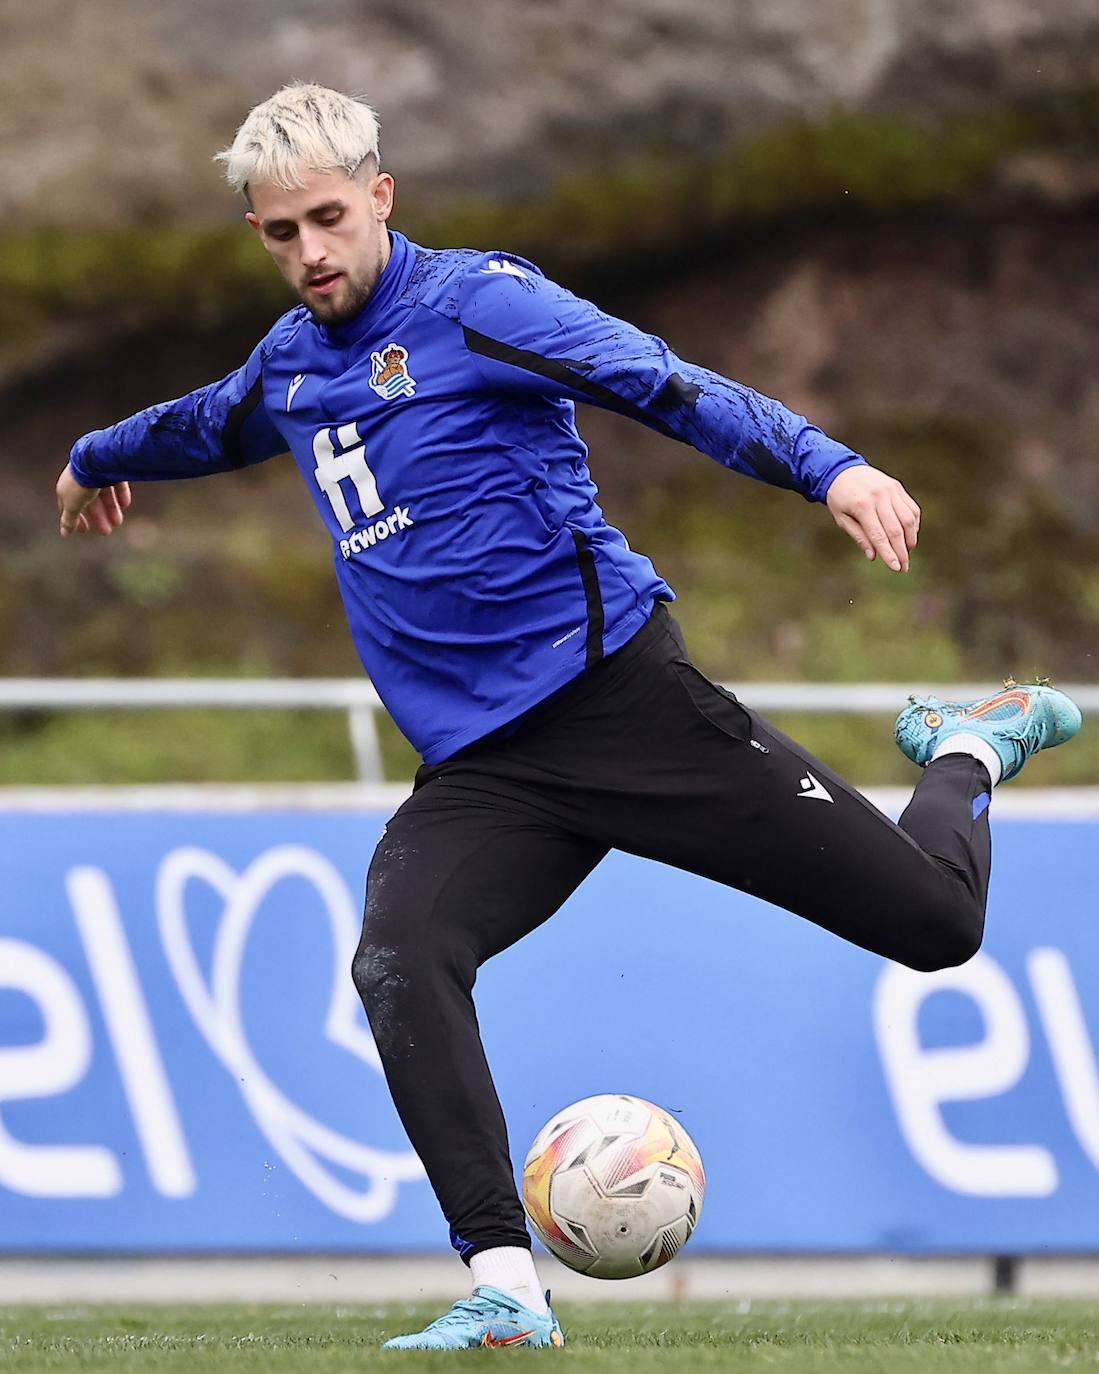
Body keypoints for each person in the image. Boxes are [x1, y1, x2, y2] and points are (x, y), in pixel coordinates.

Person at [56, 83, 1080, 1350]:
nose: (310, 252)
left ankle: (975, 743)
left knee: (937, 929)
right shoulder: (292, 363)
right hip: (489, 772)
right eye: (280, 232)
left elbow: (661, 384)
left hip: (624, 706)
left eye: (329, 217)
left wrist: (832, 467)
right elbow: (206, 426)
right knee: (396, 961)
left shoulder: (477, 303)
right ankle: (504, 1283)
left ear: (382, 196)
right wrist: (98, 456)